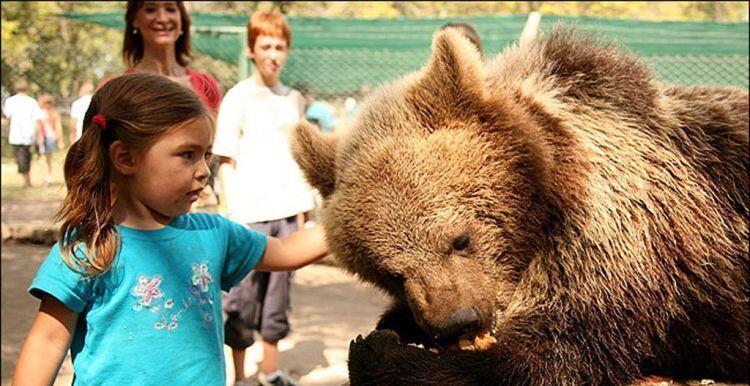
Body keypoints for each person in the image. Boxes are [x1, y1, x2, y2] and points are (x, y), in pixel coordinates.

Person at [11, 73, 328, 386]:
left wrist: (357, 216)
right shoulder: (89, 246)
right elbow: (47, 343)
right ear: (125, 157)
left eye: (206, 154)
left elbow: (288, 251)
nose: (204, 171)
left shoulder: (213, 234)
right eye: (187, 155)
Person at [214, 10, 315, 386]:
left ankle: (270, 372)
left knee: (277, 300)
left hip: (287, 214)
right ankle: (240, 377)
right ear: (252, 49)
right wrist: (232, 214)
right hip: (248, 216)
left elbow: (302, 161)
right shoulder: (238, 98)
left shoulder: (294, 100)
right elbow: (226, 160)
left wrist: (305, 214)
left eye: (280, 47)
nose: (273, 54)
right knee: (240, 301)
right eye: (266, 46)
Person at [2, 79, 42, 188]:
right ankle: (27, 179)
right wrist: (38, 135)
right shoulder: (32, 101)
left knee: (21, 157)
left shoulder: (10, 101)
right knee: (26, 156)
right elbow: (37, 120)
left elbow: (8, 118)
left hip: (16, 134)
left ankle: (26, 180)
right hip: (29, 134)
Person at [36, 94, 65, 186]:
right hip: (42, 137)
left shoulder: (54, 113)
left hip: (50, 138)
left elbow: (58, 128)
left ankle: (48, 177)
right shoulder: (40, 113)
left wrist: (60, 140)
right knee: (42, 158)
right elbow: (37, 127)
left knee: (48, 157)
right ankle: (46, 176)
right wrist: (38, 137)